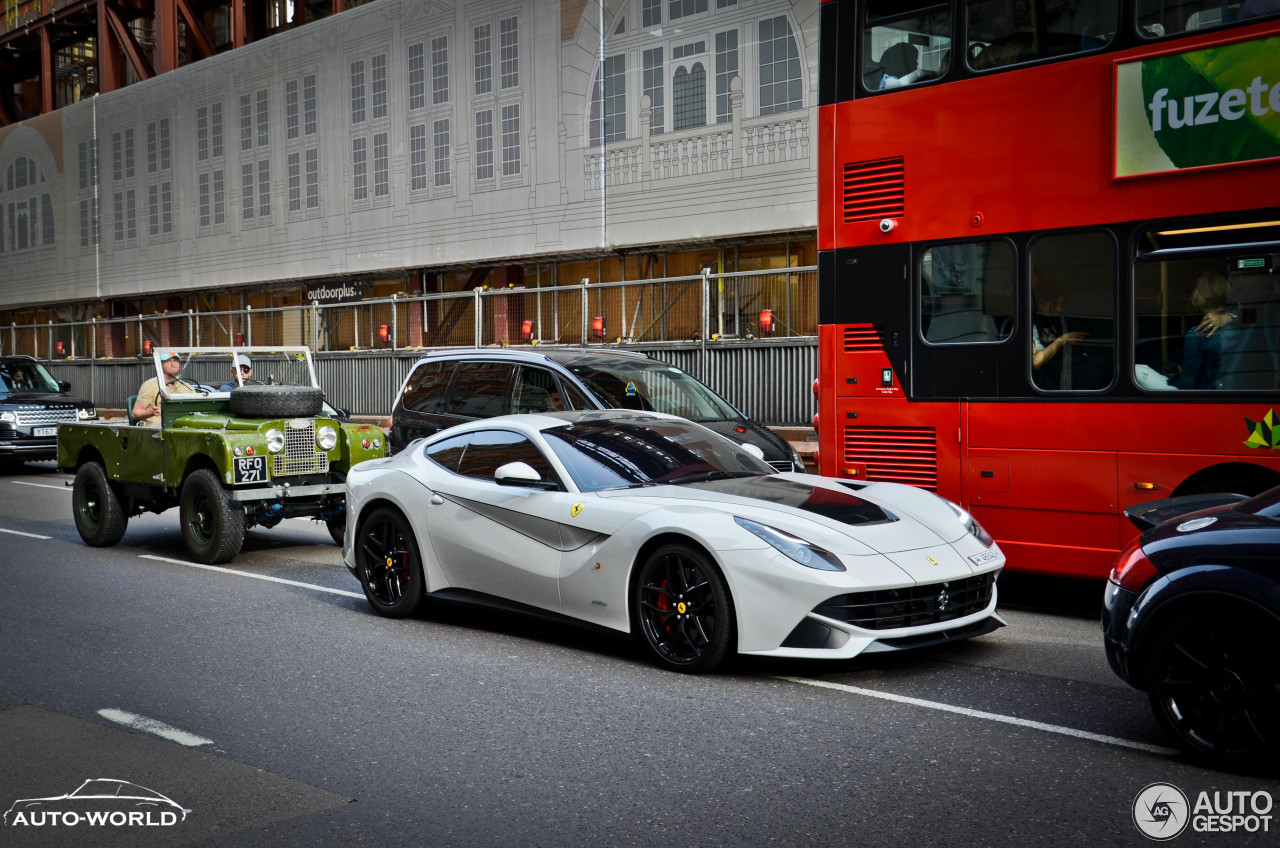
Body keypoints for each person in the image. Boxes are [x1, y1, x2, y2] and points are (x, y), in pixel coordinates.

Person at [1170, 273, 1232, 389]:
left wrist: (1174, 379)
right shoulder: (1240, 324)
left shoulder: (1198, 333)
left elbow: (1188, 382)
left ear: (1200, 296)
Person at [1031, 277, 1087, 385]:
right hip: (1040, 385)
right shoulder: (1031, 324)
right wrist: (1062, 340)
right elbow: (1035, 361)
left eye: (1061, 305)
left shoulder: (1058, 322)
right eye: (1056, 304)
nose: (1059, 309)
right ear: (1042, 303)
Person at [132, 352, 195, 426]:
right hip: (156, 428)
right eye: (168, 360)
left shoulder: (186, 387)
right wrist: (151, 412)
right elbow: (135, 414)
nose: (172, 364)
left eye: (175, 360)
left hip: (181, 425)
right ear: (160, 364)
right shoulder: (150, 385)